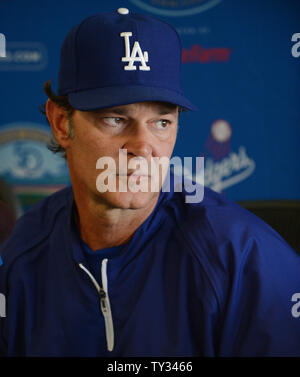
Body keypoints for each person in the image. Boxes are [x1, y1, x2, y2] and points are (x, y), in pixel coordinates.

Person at [0, 8, 300, 357]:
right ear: (61, 123)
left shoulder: (246, 261)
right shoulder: (21, 253)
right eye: (115, 118)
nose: (143, 148)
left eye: (161, 123)